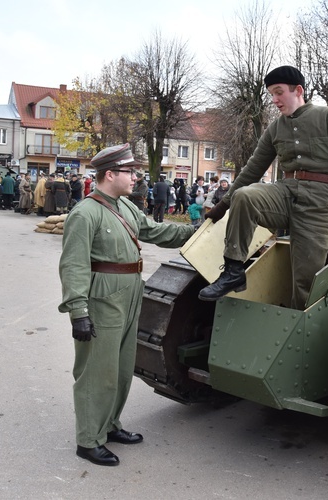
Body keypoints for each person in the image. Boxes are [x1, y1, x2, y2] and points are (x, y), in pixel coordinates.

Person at [198, 65, 328, 309]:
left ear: (298, 90)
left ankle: (300, 329)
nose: (275, 100)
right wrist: (224, 205)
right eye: (271, 95)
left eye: (279, 92)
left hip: (319, 204)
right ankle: (234, 270)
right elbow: (253, 169)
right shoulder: (275, 128)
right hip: (285, 193)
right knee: (246, 197)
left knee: (306, 282)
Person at [58, 143, 194, 467]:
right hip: (103, 296)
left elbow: (156, 231)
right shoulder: (84, 213)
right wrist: (79, 312)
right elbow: (73, 265)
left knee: (121, 369)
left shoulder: (126, 207)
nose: (135, 177)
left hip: (132, 292)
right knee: (97, 372)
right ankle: (89, 440)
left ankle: (110, 424)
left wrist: (196, 231)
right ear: (110, 174)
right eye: (129, 172)